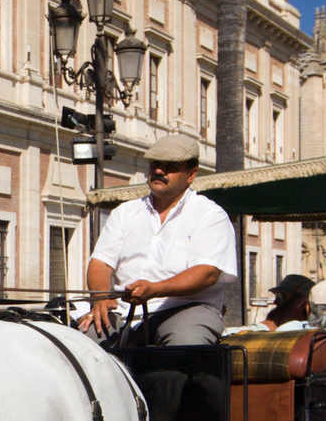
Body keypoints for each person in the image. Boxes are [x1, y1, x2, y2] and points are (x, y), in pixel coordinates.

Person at [79, 132, 238, 346]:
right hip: (126, 312)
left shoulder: (210, 215)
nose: (158, 171)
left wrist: (154, 289)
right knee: (80, 345)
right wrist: (99, 298)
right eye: (155, 164)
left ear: (191, 174)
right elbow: (100, 262)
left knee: (185, 345)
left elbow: (207, 273)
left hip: (188, 309)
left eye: (169, 167)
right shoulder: (124, 213)